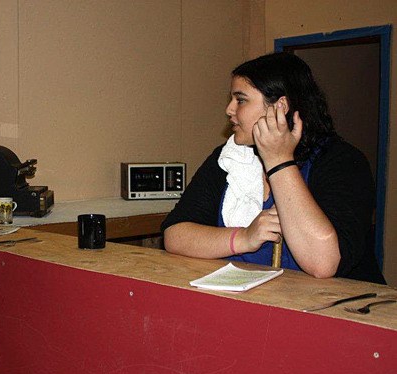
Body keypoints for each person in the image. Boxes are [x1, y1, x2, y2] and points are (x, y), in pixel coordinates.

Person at [162, 52, 384, 284]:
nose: (229, 110)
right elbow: (175, 235)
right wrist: (243, 238)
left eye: (241, 100)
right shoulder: (229, 159)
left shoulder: (343, 161)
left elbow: (323, 263)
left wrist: (279, 162)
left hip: (340, 311)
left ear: (280, 106)